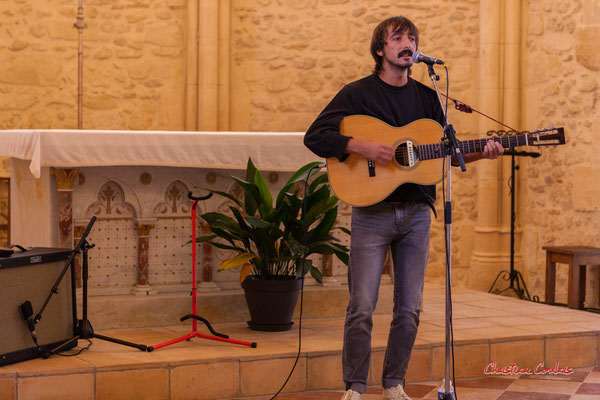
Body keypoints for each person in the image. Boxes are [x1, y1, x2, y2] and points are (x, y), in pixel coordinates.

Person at [303, 16, 503, 400]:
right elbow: (316, 136)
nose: (407, 43)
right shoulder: (357, 93)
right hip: (372, 214)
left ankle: (394, 383)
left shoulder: (429, 97)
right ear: (381, 49)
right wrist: (360, 146)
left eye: (411, 37)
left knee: (409, 309)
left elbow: (449, 153)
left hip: (416, 215)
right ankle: (355, 388)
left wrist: (485, 153)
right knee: (361, 306)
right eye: (398, 38)